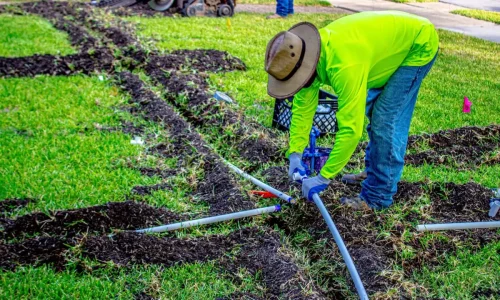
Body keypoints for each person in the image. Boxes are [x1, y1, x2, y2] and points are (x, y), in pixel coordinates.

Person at [264, 11, 439, 209]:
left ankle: (378, 196)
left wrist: (323, 177)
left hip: (416, 46)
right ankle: (374, 170)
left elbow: (351, 130)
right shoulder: (309, 55)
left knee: (385, 119)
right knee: (374, 109)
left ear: (305, 70)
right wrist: (295, 154)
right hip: (382, 50)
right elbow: (302, 110)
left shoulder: (344, 67)